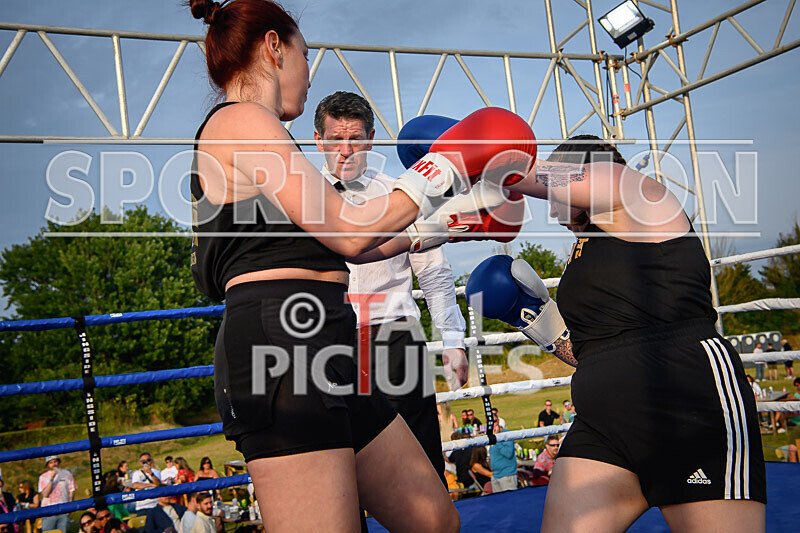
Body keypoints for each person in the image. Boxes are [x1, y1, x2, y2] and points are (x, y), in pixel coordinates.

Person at [186, 0, 534, 530]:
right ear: (275, 47)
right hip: (282, 347)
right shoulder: (241, 122)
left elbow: (354, 240)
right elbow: (351, 234)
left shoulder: (266, 138)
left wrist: (444, 225)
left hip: (329, 343)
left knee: (433, 518)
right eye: (306, 55)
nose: (307, 73)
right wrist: (440, 167)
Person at [467, 134, 767, 531]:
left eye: (557, 195)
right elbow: (592, 351)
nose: (553, 211)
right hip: (604, 424)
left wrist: (463, 151)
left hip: (684, 400)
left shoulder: (638, 194)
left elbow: (523, 174)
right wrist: (535, 321)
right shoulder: (584, 253)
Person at [314, 91, 469, 484]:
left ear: (370, 139)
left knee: (422, 469)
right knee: (338, 473)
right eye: (335, 139)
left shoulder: (402, 194)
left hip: (394, 338)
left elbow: (433, 272)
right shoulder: (301, 198)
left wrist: (452, 339)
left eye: (355, 139)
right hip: (326, 342)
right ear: (318, 140)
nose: (345, 150)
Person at [38, 455, 76, 533]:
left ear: (58, 462)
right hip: (48, 512)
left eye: (55, 461)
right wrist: (51, 479)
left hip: (63, 510)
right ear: (48, 465)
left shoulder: (67, 474)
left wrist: (70, 507)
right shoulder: (43, 477)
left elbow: (71, 491)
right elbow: (45, 494)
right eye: (51, 462)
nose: (54, 464)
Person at [488, 421, 517, 492]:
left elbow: (508, 453)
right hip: (495, 475)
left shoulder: (506, 435)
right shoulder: (492, 436)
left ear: (498, 423)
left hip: (507, 476)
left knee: (510, 501)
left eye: (493, 422)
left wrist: (496, 440)